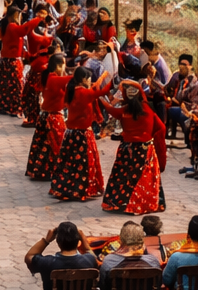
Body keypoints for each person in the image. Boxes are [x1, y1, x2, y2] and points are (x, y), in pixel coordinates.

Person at [101, 81, 168, 215]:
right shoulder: (148, 109)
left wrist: (100, 98)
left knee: (122, 177)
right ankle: (143, 203)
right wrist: (152, 136)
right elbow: (162, 127)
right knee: (143, 178)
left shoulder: (123, 111)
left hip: (127, 149)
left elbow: (110, 109)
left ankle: (120, 203)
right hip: (146, 149)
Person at [50, 66, 115, 202]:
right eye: (89, 78)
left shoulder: (71, 90)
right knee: (85, 163)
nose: (90, 80)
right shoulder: (86, 94)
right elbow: (103, 90)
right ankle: (83, 189)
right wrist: (109, 78)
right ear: (84, 79)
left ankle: (65, 187)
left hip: (70, 133)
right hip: (83, 134)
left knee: (69, 162)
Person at [24, 221, 98, 290]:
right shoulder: (89, 261)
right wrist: (83, 239)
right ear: (77, 241)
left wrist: (46, 240)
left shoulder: (47, 263)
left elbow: (29, 257)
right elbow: (91, 254)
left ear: (58, 242)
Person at [0, 7, 43, 115]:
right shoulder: (12, 26)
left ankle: (1, 106)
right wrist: (38, 18)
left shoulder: (6, 26)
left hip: (5, 60)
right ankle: (14, 108)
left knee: (4, 86)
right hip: (13, 62)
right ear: (15, 15)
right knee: (16, 87)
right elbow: (24, 30)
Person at [26, 54, 71, 181]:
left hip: (46, 116)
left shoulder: (50, 76)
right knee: (54, 145)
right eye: (63, 64)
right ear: (58, 66)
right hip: (53, 118)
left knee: (44, 145)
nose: (65, 66)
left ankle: (40, 170)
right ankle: (50, 171)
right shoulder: (54, 79)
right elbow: (72, 78)